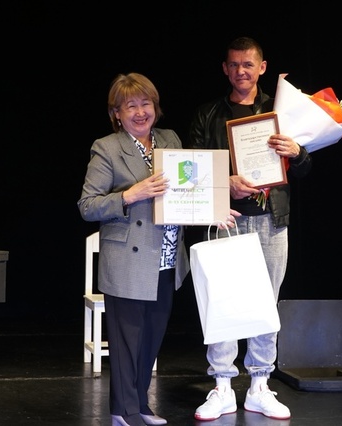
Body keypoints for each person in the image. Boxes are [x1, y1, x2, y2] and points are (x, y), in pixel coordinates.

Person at [77, 72, 239, 426]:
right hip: (128, 260)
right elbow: (87, 206)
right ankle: (123, 411)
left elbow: (191, 190)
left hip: (167, 259)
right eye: (130, 106)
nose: (140, 112)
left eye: (145, 103)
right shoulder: (106, 148)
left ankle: (140, 405)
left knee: (150, 339)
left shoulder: (169, 140)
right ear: (116, 113)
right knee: (127, 342)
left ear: (156, 106)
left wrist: (215, 209)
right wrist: (129, 195)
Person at [186, 37, 313, 421]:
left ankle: (259, 384)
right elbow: (192, 172)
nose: (241, 71)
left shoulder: (280, 113)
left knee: (265, 304)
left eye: (248, 64)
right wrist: (225, 182)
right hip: (226, 219)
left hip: (271, 220)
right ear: (225, 69)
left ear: (262, 68)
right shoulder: (207, 114)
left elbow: (304, 169)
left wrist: (298, 152)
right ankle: (222, 386)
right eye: (234, 64)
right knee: (222, 302)